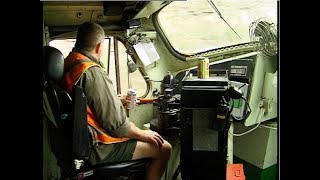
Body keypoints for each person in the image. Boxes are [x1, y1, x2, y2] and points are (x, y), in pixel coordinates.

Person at [60, 22, 172, 180]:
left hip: (77, 144)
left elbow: (87, 104)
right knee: (163, 148)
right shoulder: (92, 72)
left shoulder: (69, 64)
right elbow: (117, 126)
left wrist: (117, 100)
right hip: (98, 148)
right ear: (99, 47)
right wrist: (143, 134)